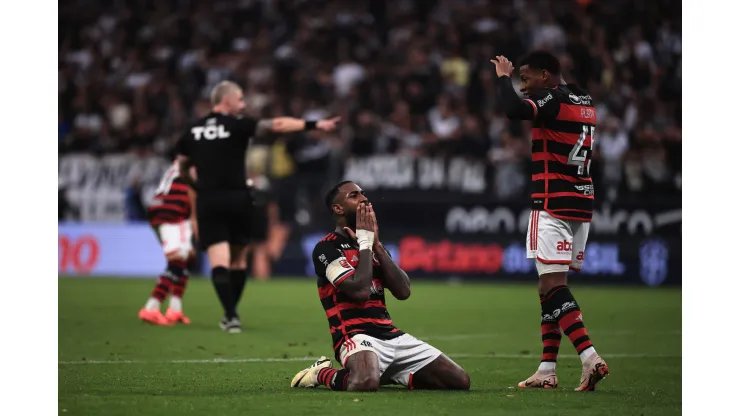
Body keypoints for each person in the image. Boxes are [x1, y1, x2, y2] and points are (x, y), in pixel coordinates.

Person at [176, 80, 340, 333]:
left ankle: (230, 314)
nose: (242, 104)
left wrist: (195, 186)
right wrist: (313, 124)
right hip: (238, 198)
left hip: (209, 200)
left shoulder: (193, 130)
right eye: (240, 99)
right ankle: (231, 312)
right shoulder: (239, 124)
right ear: (226, 100)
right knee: (239, 260)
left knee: (218, 261)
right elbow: (277, 125)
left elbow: (183, 166)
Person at [491, 51, 609, 391]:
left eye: (526, 78)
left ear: (545, 75)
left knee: (553, 287)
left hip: (552, 202)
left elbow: (513, 111)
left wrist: (503, 76)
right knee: (548, 288)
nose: (523, 85)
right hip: (581, 202)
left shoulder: (551, 99)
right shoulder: (583, 98)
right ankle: (546, 369)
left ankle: (589, 358)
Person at [290, 181, 470, 392]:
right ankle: (320, 373)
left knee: (459, 381)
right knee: (364, 383)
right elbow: (360, 291)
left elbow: (403, 292)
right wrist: (365, 244)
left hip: (391, 335)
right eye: (354, 195)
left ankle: (388, 372)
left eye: (363, 194)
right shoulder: (327, 248)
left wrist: (376, 246)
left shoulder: (375, 246)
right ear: (338, 209)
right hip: (355, 336)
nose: (364, 199)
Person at [138, 160, 197, 326]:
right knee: (177, 262)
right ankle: (151, 307)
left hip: (161, 210)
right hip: (173, 213)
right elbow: (194, 190)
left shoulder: (180, 162)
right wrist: (196, 219)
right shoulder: (197, 160)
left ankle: (175, 309)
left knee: (187, 259)